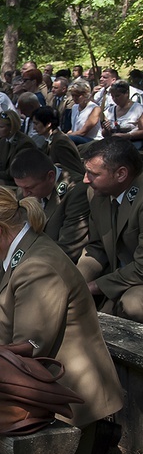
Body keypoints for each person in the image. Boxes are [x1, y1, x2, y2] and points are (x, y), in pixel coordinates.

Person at [0, 183, 123, 454]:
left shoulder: (37, 266)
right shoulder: (22, 254)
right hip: (42, 391)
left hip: (63, 402)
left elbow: (26, 350)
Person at [78, 138, 143, 322]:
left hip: (137, 279)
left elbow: (142, 268)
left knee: (132, 305)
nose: (85, 179)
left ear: (121, 174)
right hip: (119, 276)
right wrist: (76, 283)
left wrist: (93, 287)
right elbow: (96, 247)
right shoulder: (97, 193)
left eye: (93, 174)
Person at [10, 149, 89, 263]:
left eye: (29, 188)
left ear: (51, 177)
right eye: (20, 187)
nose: (24, 194)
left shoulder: (76, 192)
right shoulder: (28, 183)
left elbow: (68, 248)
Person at [31, 106, 85, 177]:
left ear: (48, 124)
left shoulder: (60, 143)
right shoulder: (50, 140)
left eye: (36, 124)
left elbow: (74, 171)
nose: (34, 128)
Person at [0, 110, 36, 185]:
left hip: (21, 181)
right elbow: (1, 166)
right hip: (8, 178)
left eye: (1, 127)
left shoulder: (25, 144)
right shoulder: (2, 142)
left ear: (11, 127)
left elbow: (15, 171)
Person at [102, 80, 143, 149]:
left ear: (126, 93)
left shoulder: (138, 109)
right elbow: (104, 134)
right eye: (113, 96)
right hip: (113, 144)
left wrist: (128, 135)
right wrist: (106, 129)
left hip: (132, 144)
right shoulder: (110, 111)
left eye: (117, 96)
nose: (115, 99)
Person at [68, 79, 102, 145]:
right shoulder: (74, 107)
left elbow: (83, 132)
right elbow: (74, 129)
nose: (74, 98)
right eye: (73, 95)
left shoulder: (94, 108)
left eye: (77, 96)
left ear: (85, 94)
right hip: (77, 138)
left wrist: (65, 136)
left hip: (92, 141)